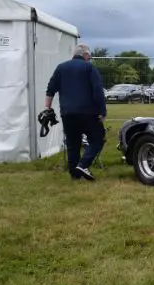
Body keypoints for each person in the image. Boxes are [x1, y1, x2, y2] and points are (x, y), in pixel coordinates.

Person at [44, 43, 107, 181]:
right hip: (88, 112)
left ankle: (74, 174)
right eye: (89, 56)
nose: (89, 59)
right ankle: (83, 165)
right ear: (85, 55)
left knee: (73, 143)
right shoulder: (89, 67)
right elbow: (97, 90)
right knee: (97, 138)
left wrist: (47, 109)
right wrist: (102, 111)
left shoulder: (61, 68)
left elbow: (50, 89)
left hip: (67, 113)